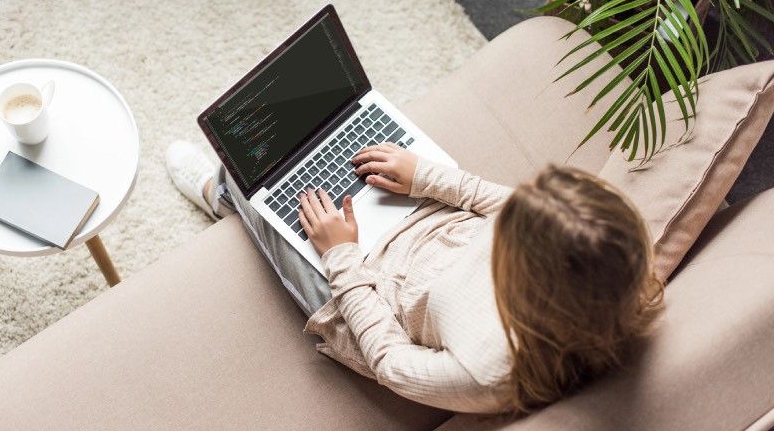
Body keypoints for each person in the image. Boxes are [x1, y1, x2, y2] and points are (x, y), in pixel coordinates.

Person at [166, 139, 664, 415]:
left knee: (252, 171)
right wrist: (423, 174)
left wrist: (342, 257)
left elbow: (388, 360)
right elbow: (509, 204)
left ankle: (223, 197)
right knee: (348, 141)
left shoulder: (485, 374)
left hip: (367, 293)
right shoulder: (604, 253)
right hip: (431, 222)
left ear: (520, 276)